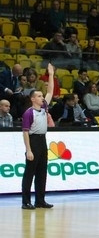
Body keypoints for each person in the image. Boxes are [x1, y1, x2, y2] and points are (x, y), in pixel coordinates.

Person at [21, 63, 55, 210]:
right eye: (39, 96)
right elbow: (25, 132)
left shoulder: (44, 108)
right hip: (33, 141)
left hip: (43, 141)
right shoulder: (29, 113)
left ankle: (40, 200)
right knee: (30, 173)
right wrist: (28, 150)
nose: (43, 97)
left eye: (42, 96)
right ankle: (26, 201)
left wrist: (51, 75)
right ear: (33, 99)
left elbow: (51, 91)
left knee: (42, 172)